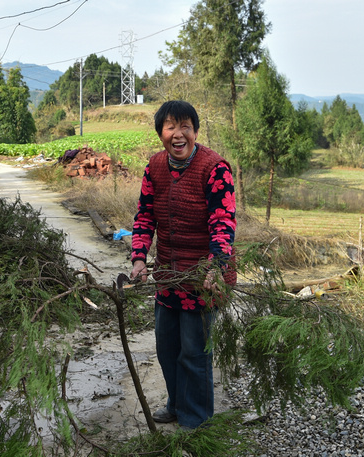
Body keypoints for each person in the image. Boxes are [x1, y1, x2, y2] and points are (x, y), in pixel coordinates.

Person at [130, 100, 236, 429]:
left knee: (194, 352)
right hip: (167, 276)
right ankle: (176, 405)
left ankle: (196, 422)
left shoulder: (215, 168)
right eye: (171, 127)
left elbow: (224, 221)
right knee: (167, 347)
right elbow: (145, 216)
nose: (178, 134)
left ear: (195, 132)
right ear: (161, 133)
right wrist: (138, 258)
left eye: (186, 127)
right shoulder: (155, 167)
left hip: (204, 278)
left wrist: (215, 265)